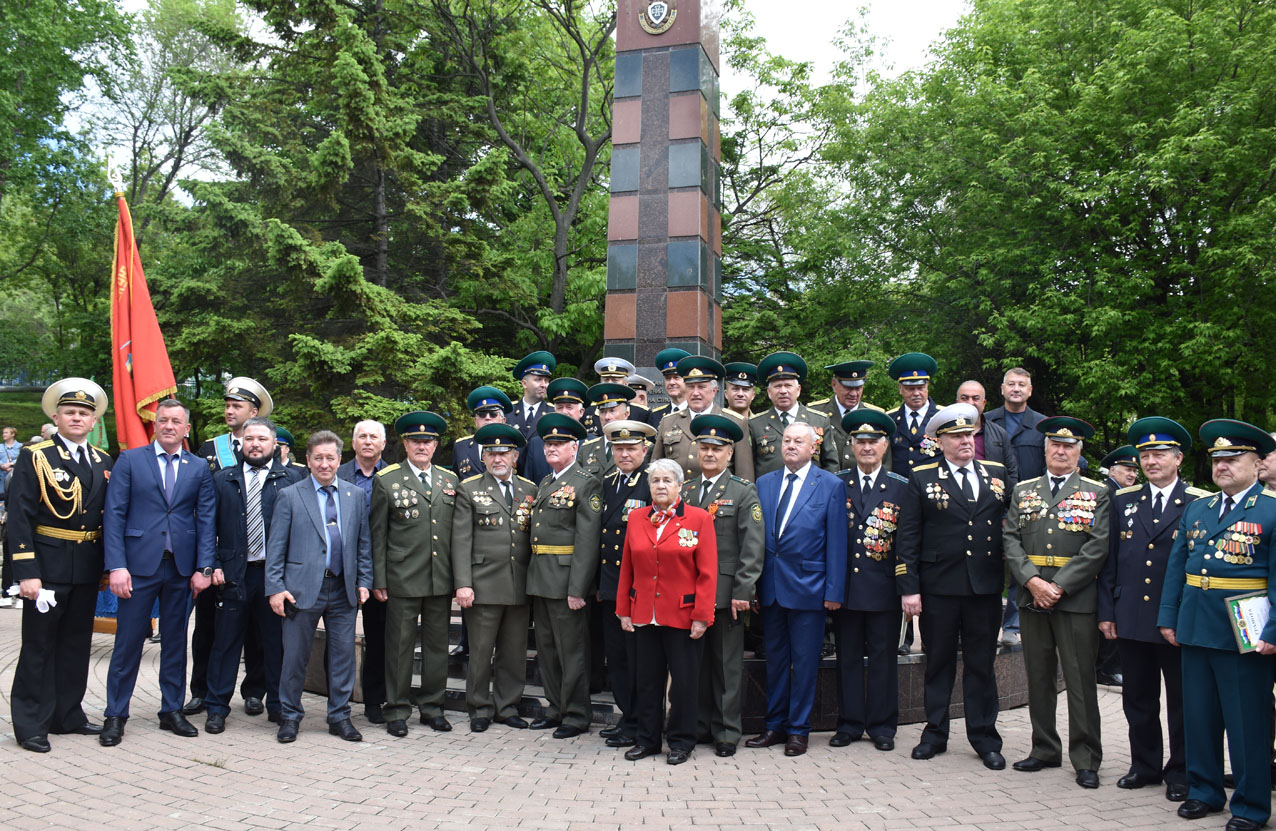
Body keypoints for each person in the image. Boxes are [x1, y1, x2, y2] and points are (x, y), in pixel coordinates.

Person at [1159, 420, 1276, 831]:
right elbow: (1178, 567)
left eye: (1233, 458)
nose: (1223, 466)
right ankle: (1204, 791)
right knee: (1200, 717)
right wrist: (1168, 616)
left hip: (1245, 633)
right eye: (1218, 460)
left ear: (1258, 463)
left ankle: (1250, 806)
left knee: (1247, 724)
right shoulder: (1199, 507)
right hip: (1195, 625)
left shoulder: (1271, 510)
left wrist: (1273, 633)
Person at [895, 402, 1009, 770]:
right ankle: (935, 733)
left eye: (968, 434)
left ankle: (984, 737)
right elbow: (908, 535)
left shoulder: (996, 473)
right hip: (939, 587)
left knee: (981, 665)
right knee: (938, 663)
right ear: (938, 440)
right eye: (956, 435)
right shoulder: (922, 477)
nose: (964, 440)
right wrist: (909, 588)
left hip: (984, 588)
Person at [1098, 417, 1207, 802]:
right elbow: (1109, 560)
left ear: (1178, 458)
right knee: (1138, 699)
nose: (1151, 461)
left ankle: (1181, 771)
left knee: (1181, 701)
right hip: (1130, 614)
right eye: (1145, 455)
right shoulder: (1124, 500)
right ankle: (1144, 765)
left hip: (1175, 618)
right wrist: (1106, 611)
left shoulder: (1198, 502)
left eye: (1160, 454)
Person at [100, 399, 217, 747]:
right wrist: (116, 566)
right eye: (162, 420)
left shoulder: (198, 468)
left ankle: (170, 710)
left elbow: (207, 520)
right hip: (137, 568)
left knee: (176, 643)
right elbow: (114, 515)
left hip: (181, 570)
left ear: (186, 429)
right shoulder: (131, 461)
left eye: (176, 421)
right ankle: (115, 714)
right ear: (154, 425)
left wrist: (204, 568)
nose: (168, 425)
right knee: (128, 643)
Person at [1003, 416, 1110, 789]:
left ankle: (1086, 757)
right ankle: (1044, 748)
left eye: (1068, 446)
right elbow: (1011, 540)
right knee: (1039, 676)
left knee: (1080, 680)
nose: (1060, 451)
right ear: (1045, 449)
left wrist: (1058, 586)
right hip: (1032, 597)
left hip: (1075, 599)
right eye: (1054, 445)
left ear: (1079, 453)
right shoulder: (1024, 490)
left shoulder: (1097, 492)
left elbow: (1097, 547)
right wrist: (1033, 582)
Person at [7, 379, 112, 753]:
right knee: (39, 646)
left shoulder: (103, 461)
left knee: (74, 645)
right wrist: (26, 573)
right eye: (70, 412)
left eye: (85, 413)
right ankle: (31, 723)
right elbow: (19, 518)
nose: (77, 418)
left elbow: (104, 519)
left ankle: (67, 715)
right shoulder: (36, 456)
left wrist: (104, 568)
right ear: (56, 416)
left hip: (85, 569)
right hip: (46, 569)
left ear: (93, 419)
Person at [745, 421, 846, 757]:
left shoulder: (830, 484)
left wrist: (834, 592)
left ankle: (798, 730)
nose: (790, 446)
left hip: (810, 589)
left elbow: (836, 543)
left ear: (813, 446)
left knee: (804, 663)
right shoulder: (765, 482)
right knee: (775, 660)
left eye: (798, 441)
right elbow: (758, 540)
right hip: (771, 589)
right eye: (786, 440)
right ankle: (774, 725)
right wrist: (755, 586)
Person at [266, 430, 373, 743]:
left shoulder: (355, 496)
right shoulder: (290, 495)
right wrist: (275, 587)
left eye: (330, 458)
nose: (324, 464)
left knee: (342, 657)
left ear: (340, 460)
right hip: (300, 591)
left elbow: (362, 544)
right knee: (295, 657)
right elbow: (276, 547)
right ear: (308, 461)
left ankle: (339, 717)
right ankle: (289, 716)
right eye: (318, 458)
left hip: (343, 589)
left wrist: (364, 581)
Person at [204, 417, 304, 733]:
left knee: (276, 644)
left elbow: (301, 532)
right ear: (241, 443)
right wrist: (213, 564)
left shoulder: (292, 479)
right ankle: (217, 707)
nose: (255, 444)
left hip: (274, 578)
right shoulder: (223, 479)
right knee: (225, 644)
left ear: (275, 444)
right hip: (234, 574)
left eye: (262, 439)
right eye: (250, 439)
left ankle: (277, 705)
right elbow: (209, 527)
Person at [616, 458, 717, 765]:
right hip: (645, 612)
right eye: (655, 481)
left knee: (684, 683)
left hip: (683, 614)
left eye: (666, 481)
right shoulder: (637, 518)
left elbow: (708, 572)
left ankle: (681, 741)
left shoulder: (699, 519)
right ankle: (646, 740)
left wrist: (702, 615)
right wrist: (624, 610)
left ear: (679, 486)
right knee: (646, 681)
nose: (660, 486)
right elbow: (628, 568)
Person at [188, 376, 274, 717]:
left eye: (237, 406)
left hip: (257, 560)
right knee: (208, 629)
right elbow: (201, 509)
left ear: (253, 412)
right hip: (219, 559)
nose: (229, 410)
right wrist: (206, 561)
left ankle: (255, 691)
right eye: (227, 405)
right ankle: (202, 691)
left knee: (257, 630)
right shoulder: (210, 450)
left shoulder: (270, 446)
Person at [370, 411, 458, 737]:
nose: (422, 446)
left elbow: (455, 535)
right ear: (405, 444)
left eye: (429, 441)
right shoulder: (387, 480)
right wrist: (379, 579)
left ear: (436, 445)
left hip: (439, 578)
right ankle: (396, 709)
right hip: (402, 578)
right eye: (416, 440)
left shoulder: (450, 481)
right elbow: (378, 535)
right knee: (399, 648)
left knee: (437, 648)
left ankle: (433, 708)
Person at [830, 409, 910, 751]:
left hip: (883, 589)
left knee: (882, 659)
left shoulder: (901, 488)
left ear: (885, 445)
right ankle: (848, 724)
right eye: (860, 441)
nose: (866, 447)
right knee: (846, 657)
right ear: (851, 444)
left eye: (873, 441)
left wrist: (907, 589)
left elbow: (907, 543)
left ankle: (881, 726)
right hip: (845, 589)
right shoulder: (836, 483)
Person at [685, 414, 764, 758]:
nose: (710, 454)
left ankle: (727, 731)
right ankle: (700, 725)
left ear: (729, 453)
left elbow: (752, 546)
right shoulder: (685, 490)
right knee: (695, 666)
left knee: (726, 666)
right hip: (688, 593)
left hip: (724, 594)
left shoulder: (742, 491)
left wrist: (743, 592)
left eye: (717, 449)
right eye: (704, 448)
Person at [451, 423, 537, 732]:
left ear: (515, 456)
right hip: (483, 585)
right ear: (483, 458)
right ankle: (479, 708)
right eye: (491, 453)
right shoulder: (469, 488)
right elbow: (460, 540)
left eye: (503, 453)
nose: (497, 459)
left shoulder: (530, 489)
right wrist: (462, 583)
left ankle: (507, 706)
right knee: (481, 652)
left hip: (518, 585)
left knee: (513, 653)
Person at [525, 413, 603, 738]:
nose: (551, 448)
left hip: (566, 581)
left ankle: (576, 714)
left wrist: (578, 588)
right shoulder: (546, 482)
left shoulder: (587, 483)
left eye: (559, 443)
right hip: (541, 578)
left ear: (575, 447)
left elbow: (587, 541)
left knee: (572, 652)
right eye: (548, 444)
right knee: (547, 650)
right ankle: (554, 707)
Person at [596, 419, 655, 748]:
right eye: (619, 448)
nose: (625, 454)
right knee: (617, 658)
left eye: (631, 448)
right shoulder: (607, 483)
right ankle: (626, 716)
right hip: (609, 586)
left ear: (644, 450)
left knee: (638, 660)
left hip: (637, 588)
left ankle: (638, 721)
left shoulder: (651, 484)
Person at [985, 368, 1048, 649]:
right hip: (991, 505)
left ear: (1030, 390)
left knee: (1021, 565)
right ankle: (987, 623)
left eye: (1022, 384)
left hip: (1029, 508)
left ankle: (1012, 624)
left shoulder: (1042, 425)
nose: (1016, 389)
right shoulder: (986, 421)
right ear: (1002, 389)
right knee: (988, 563)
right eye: (1011, 384)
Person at [335, 419, 389, 722]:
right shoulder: (337, 473)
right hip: (340, 567)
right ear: (353, 443)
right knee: (339, 639)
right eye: (362, 436)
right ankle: (337, 702)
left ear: (383, 444)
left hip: (381, 570)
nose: (368, 441)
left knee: (378, 637)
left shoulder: (394, 476)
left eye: (374, 437)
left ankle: (374, 701)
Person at [654, 357, 753, 482]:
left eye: (701, 387)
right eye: (691, 387)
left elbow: (744, 475)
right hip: (677, 498)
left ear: (714, 391)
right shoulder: (668, 422)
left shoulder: (736, 422)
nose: (695, 393)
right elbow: (656, 467)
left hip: (718, 499)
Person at [749, 352, 835, 479]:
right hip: (770, 495)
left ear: (798, 390)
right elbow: (750, 467)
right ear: (769, 392)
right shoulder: (755, 424)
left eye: (788, 385)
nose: (783, 391)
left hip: (812, 494)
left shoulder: (820, 420)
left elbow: (831, 465)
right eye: (778, 386)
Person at [810, 360, 885, 473]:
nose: (854, 394)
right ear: (834, 385)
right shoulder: (815, 413)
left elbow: (885, 461)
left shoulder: (875, 415)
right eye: (848, 388)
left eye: (858, 388)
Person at [522, 377, 589, 485]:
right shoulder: (537, 444)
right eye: (560, 407)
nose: (564, 412)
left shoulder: (592, 445)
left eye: (569, 407)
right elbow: (529, 486)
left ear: (581, 412)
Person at [452, 386, 513, 479]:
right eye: (482, 414)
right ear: (475, 421)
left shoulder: (514, 446)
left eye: (493, 414)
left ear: (503, 420)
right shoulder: (461, 446)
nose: (487, 417)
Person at [579, 383, 635, 478]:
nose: (607, 417)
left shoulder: (639, 448)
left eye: (612, 411)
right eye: (602, 412)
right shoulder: (586, 449)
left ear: (626, 414)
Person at [507, 351, 556, 444]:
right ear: (524, 383)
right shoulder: (508, 412)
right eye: (538, 380)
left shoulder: (554, 413)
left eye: (546, 381)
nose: (543, 385)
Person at [646, 348, 691, 426]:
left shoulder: (697, 412)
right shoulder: (655, 415)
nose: (671, 382)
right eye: (668, 378)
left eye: (676, 377)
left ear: (687, 380)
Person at [0, 425, 20, 499]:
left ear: (13, 434)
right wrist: (2, 465)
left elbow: (21, 458)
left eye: (6, 433)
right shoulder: (0, 447)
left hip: (15, 476)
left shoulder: (20, 446)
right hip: (2, 476)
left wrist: (11, 464)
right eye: (3, 433)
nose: (4, 434)